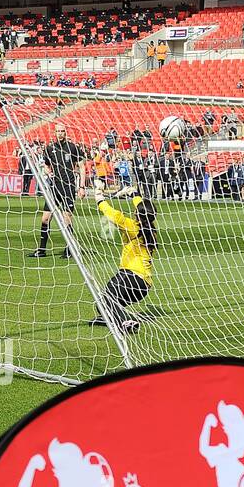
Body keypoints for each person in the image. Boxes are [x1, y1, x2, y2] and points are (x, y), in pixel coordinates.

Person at [88, 183, 155, 334]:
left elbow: (114, 215)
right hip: (144, 285)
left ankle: (126, 322)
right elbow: (143, 207)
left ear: (138, 214)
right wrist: (134, 194)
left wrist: (99, 197)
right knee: (103, 305)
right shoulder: (151, 228)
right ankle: (109, 317)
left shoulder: (132, 226)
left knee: (105, 299)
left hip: (130, 276)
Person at [29, 123, 88, 259]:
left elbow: (82, 167)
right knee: (45, 218)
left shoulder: (73, 147)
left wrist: (82, 187)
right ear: (54, 133)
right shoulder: (50, 148)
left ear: (65, 133)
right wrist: (47, 171)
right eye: (58, 131)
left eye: (62, 131)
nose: (60, 133)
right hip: (55, 187)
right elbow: (46, 165)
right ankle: (41, 250)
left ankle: (69, 249)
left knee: (66, 218)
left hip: (68, 187)